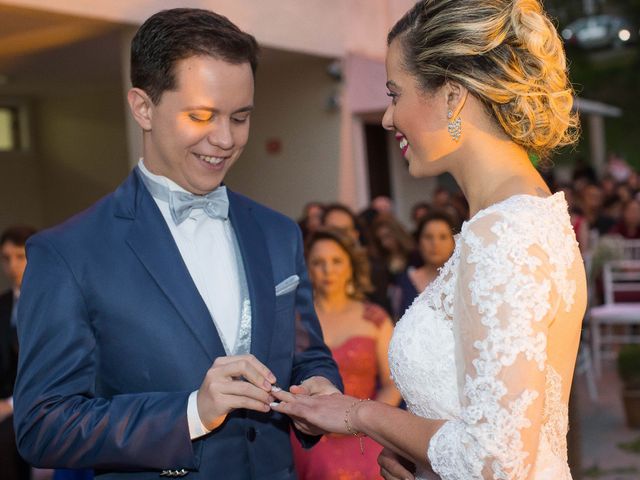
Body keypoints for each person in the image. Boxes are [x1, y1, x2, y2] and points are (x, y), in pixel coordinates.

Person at [13, 9, 341, 479]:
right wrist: (190, 413)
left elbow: (307, 352)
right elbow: (42, 426)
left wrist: (318, 385)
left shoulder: (277, 232)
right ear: (143, 107)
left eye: (241, 117)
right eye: (201, 115)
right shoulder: (68, 254)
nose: (225, 139)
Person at [270, 1, 587, 479]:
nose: (387, 118)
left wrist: (360, 415)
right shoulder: (527, 214)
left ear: (453, 96)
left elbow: (496, 461)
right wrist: (418, 448)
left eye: (395, 94)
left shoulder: (504, 233)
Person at [291, 229, 401, 479]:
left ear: (351, 266)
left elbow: (392, 384)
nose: (328, 270)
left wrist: (360, 420)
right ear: (307, 268)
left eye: (336, 261)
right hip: (311, 434)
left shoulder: (374, 318)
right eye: (318, 263)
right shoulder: (294, 320)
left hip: (366, 432)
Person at [0, 225, 36, 480]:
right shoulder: (1, 305)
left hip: (35, 400)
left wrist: (10, 405)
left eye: (20, 257)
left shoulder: (53, 301)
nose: (12, 266)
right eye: (6, 258)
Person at [392, 212, 456, 319]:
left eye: (443, 237)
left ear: (454, 242)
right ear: (419, 242)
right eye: (428, 237)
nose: (435, 243)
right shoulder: (404, 281)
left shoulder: (461, 282)